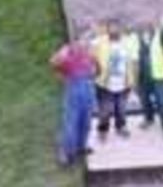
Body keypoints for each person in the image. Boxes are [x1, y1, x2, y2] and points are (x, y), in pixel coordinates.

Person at [50, 29, 99, 166]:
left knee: (86, 121)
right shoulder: (68, 51)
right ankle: (65, 151)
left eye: (89, 39)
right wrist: (62, 75)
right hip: (74, 89)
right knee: (71, 122)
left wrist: (95, 71)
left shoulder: (89, 53)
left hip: (88, 88)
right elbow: (54, 64)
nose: (87, 42)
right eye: (85, 39)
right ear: (77, 40)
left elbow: (97, 68)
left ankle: (80, 146)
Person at [91, 19, 138, 139]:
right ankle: (103, 130)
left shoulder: (128, 42)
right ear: (107, 29)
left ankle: (120, 127)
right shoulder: (100, 42)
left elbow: (133, 62)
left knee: (121, 109)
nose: (114, 30)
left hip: (124, 83)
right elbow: (90, 53)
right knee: (105, 110)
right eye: (111, 27)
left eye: (117, 27)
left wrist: (133, 80)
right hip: (104, 83)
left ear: (121, 28)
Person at [135, 21, 163, 135]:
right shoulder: (136, 39)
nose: (146, 27)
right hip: (143, 77)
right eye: (143, 26)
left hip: (159, 76)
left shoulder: (160, 36)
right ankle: (149, 119)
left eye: (149, 25)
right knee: (145, 101)